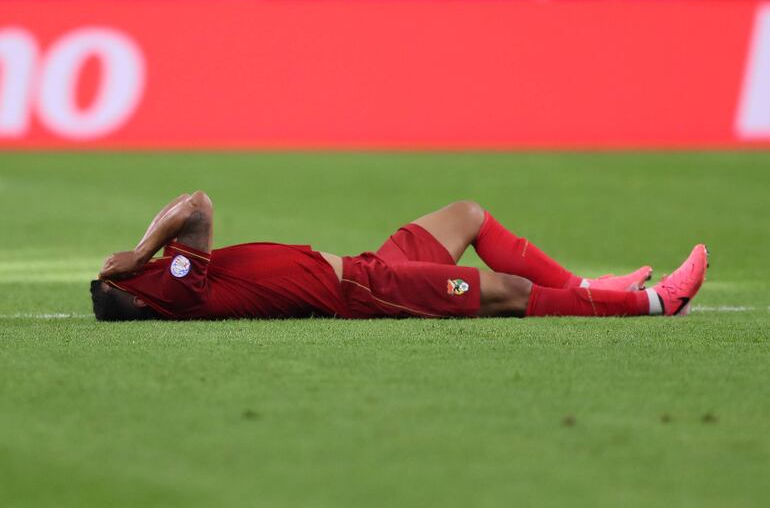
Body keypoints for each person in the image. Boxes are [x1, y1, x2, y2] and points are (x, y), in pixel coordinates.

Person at [91, 191, 707, 321]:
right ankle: (654, 304)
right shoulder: (173, 286)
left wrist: (140, 259)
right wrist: (140, 250)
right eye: (118, 278)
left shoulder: (169, 286)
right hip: (362, 291)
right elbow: (196, 205)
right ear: (130, 289)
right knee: (507, 295)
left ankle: (588, 284)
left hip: (365, 266)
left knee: (467, 216)